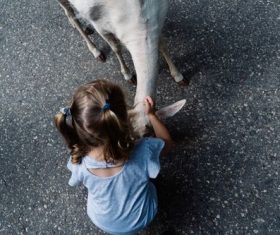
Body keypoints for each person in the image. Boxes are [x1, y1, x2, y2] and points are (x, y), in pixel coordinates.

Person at [54, 80, 173, 235]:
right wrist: (151, 114)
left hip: (102, 220)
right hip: (142, 217)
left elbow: (75, 181)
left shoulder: (77, 160)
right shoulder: (144, 149)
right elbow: (168, 143)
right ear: (124, 119)